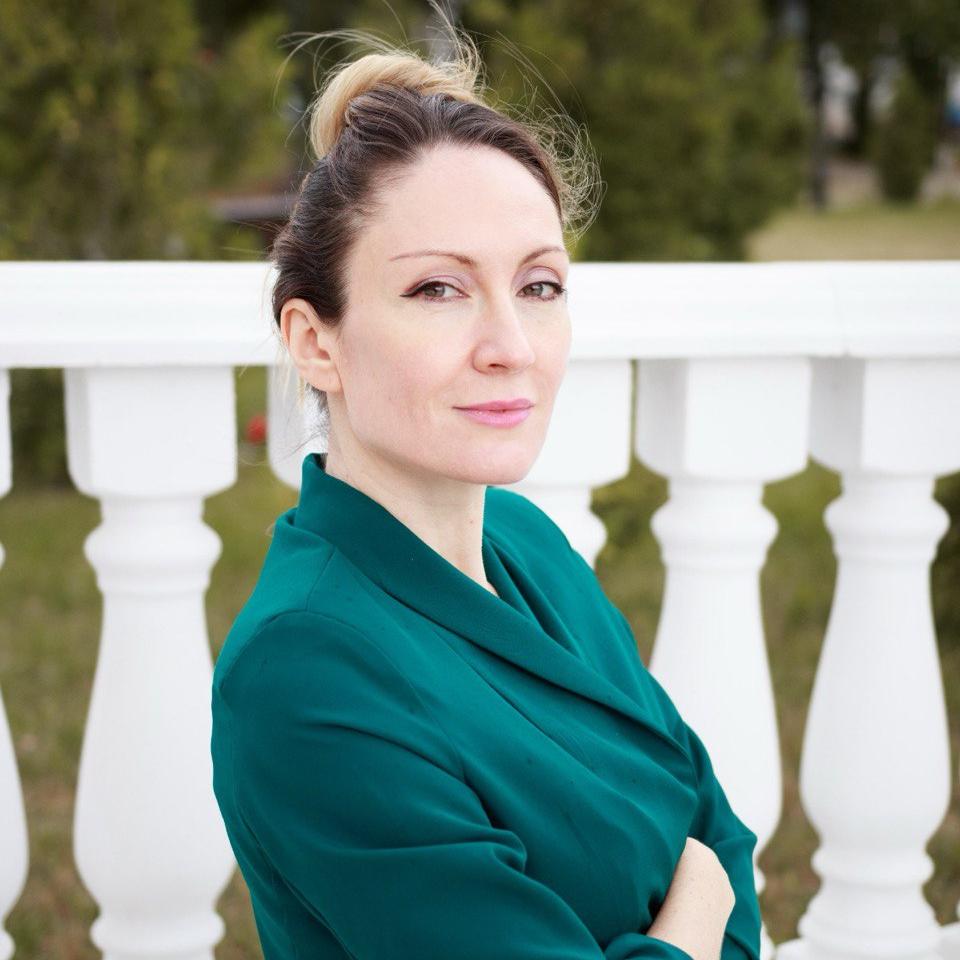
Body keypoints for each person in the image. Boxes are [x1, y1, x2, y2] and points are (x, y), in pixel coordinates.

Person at [210, 9, 762, 960]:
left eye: (539, 286)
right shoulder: (304, 673)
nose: (511, 346)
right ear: (315, 341)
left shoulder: (527, 545)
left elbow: (722, 835)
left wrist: (709, 891)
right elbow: (708, 864)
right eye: (439, 288)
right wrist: (699, 896)